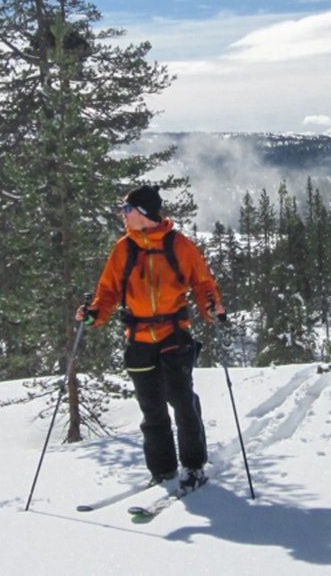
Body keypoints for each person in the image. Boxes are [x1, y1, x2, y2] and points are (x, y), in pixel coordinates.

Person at [76, 185, 227, 491]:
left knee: (182, 402)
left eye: (127, 209)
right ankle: (163, 470)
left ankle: (194, 465)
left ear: (143, 214)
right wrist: (94, 314)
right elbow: (107, 291)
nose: (123, 214)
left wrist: (212, 307)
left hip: (174, 334)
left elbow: (202, 283)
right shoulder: (124, 249)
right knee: (152, 408)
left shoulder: (180, 246)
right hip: (139, 339)